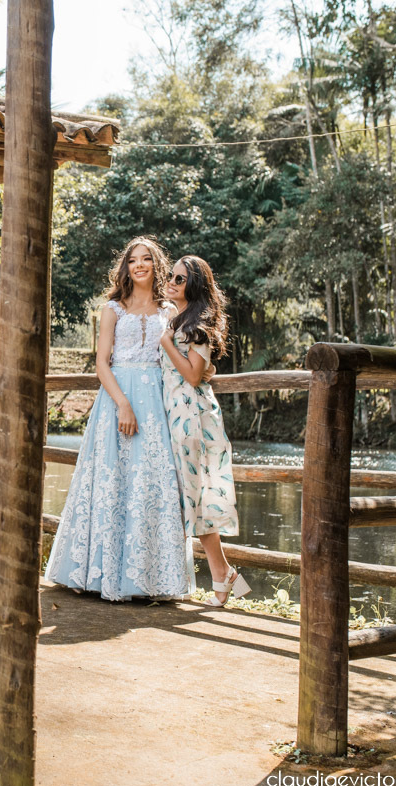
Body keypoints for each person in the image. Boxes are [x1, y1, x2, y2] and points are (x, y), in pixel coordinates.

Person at [43, 237, 191, 602]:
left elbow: (184, 357)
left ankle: (151, 580)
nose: (139, 265)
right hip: (116, 402)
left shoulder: (169, 310)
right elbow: (101, 363)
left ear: (156, 265)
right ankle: (98, 574)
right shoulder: (113, 308)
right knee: (110, 480)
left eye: (146, 259)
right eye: (132, 260)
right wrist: (123, 404)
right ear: (125, 268)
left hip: (156, 404)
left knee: (151, 483)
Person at [160, 255, 249, 607]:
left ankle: (223, 575)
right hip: (173, 412)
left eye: (179, 279)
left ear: (193, 286)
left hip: (190, 417)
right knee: (188, 496)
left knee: (193, 497)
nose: (171, 281)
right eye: (171, 276)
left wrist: (167, 344)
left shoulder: (197, 325)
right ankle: (222, 575)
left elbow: (195, 375)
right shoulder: (173, 317)